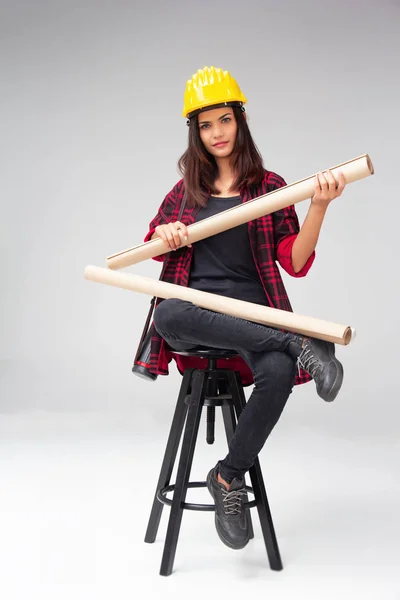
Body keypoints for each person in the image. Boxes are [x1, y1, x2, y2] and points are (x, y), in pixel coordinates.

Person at [144, 66, 346, 551]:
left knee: (278, 373)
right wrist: (163, 234)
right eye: (206, 124)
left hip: (256, 318)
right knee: (167, 313)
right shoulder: (184, 192)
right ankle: (300, 342)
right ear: (195, 132)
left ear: (240, 121)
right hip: (197, 314)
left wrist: (319, 205)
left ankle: (228, 478)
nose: (217, 133)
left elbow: (295, 264)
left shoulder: (271, 187)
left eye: (225, 120)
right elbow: (151, 244)